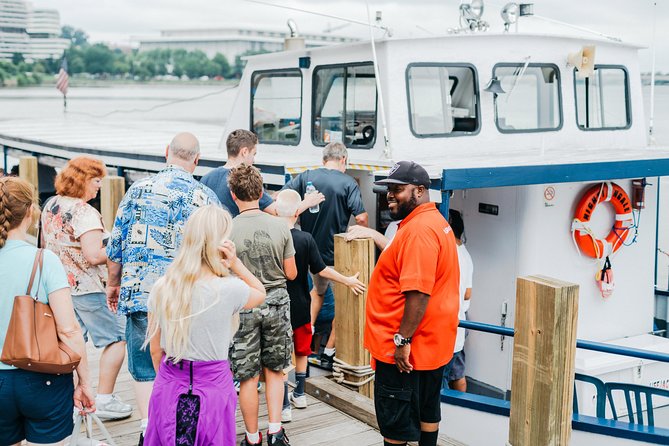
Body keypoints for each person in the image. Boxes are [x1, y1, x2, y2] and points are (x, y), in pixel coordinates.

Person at [106, 132, 220, 444]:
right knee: (184, 366)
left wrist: (113, 284)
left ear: (166, 152)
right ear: (196, 160)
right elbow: (217, 252)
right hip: (188, 299)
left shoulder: (137, 190)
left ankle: (148, 429)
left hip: (142, 293)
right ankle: (180, 429)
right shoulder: (207, 198)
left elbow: (116, 243)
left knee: (144, 368)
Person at [144, 205, 266, 445]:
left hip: (170, 384)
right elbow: (260, 292)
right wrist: (236, 264)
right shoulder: (229, 289)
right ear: (220, 244)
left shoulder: (162, 287)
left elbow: (156, 350)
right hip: (213, 388)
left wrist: (169, 379)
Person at [364, 161, 460, 446]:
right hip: (432, 346)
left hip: (405, 352)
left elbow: (418, 293)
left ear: (419, 190)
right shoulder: (438, 224)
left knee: (395, 425)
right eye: (388, 190)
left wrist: (402, 340)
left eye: (398, 190)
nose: (390, 195)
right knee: (427, 410)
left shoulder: (418, 231)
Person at [0, 176, 95, 446]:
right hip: (42, 378)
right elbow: (68, 329)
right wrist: (84, 381)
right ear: (31, 211)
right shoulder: (43, 260)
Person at [41, 156, 132, 420]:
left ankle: (69, 400)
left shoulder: (51, 205)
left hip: (59, 288)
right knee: (117, 337)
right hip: (89, 288)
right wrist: (121, 246)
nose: (99, 186)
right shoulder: (85, 212)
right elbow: (93, 255)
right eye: (96, 181)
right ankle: (103, 399)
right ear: (82, 181)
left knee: (70, 343)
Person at [274, 189, 365, 419]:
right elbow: (322, 270)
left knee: (283, 357)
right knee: (302, 350)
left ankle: (284, 405)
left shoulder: (272, 237)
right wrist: (347, 280)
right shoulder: (305, 239)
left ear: (275, 211)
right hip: (303, 306)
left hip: (278, 308)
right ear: (297, 212)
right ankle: (301, 394)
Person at [282, 141, 368, 370]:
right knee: (345, 303)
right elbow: (360, 218)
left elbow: (281, 202)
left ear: (323, 160)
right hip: (336, 255)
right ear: (343, 160)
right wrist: (364, 231)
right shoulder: (348, 182)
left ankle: (305, 343)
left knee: (317, 294)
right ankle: (329, 351)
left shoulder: (305, 176)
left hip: (307, 252)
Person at [228, 164, 296, 446]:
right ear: (261, 192)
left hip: (243, 303)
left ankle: (252, 437)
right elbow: (291, 274)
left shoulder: (228, 228)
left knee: (247, 376)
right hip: (277, 303)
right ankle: (276, 432)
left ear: (233, 195)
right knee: (275, 370)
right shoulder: (280, 226)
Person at [200, 129, 322, 217]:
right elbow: (279, 212)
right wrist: (308, 202)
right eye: (254, 154)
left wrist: (270, 196)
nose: (254, 160)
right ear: (244, 151)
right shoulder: (243, 178)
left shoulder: (206, 178)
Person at [443, 209, 473, 392]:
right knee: (457, 372)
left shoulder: (452, 253)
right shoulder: (465, 253)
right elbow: (468, 293)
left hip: (451, 321)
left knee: (443, 378)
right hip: (461, 318)